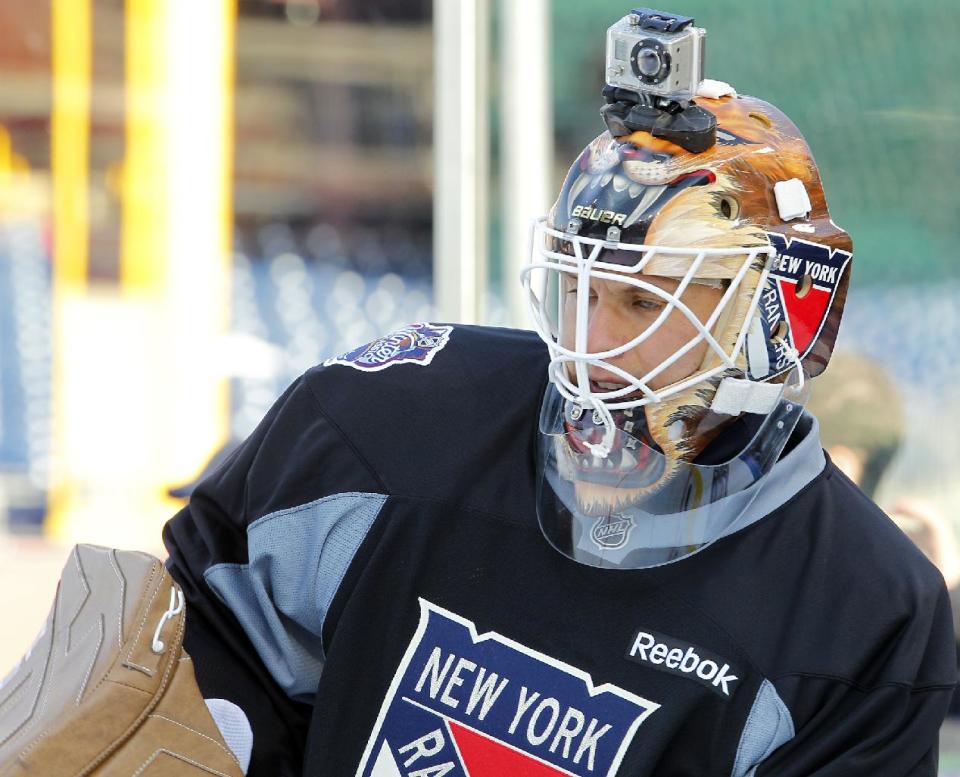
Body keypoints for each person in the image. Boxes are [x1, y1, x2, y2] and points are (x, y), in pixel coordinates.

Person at [1, 16, 956, 777]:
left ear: (773, 309)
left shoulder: (861, 611)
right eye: (578, 286)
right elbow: (197, 645)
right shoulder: (394, 418)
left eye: (638, 299)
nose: (590, 336)